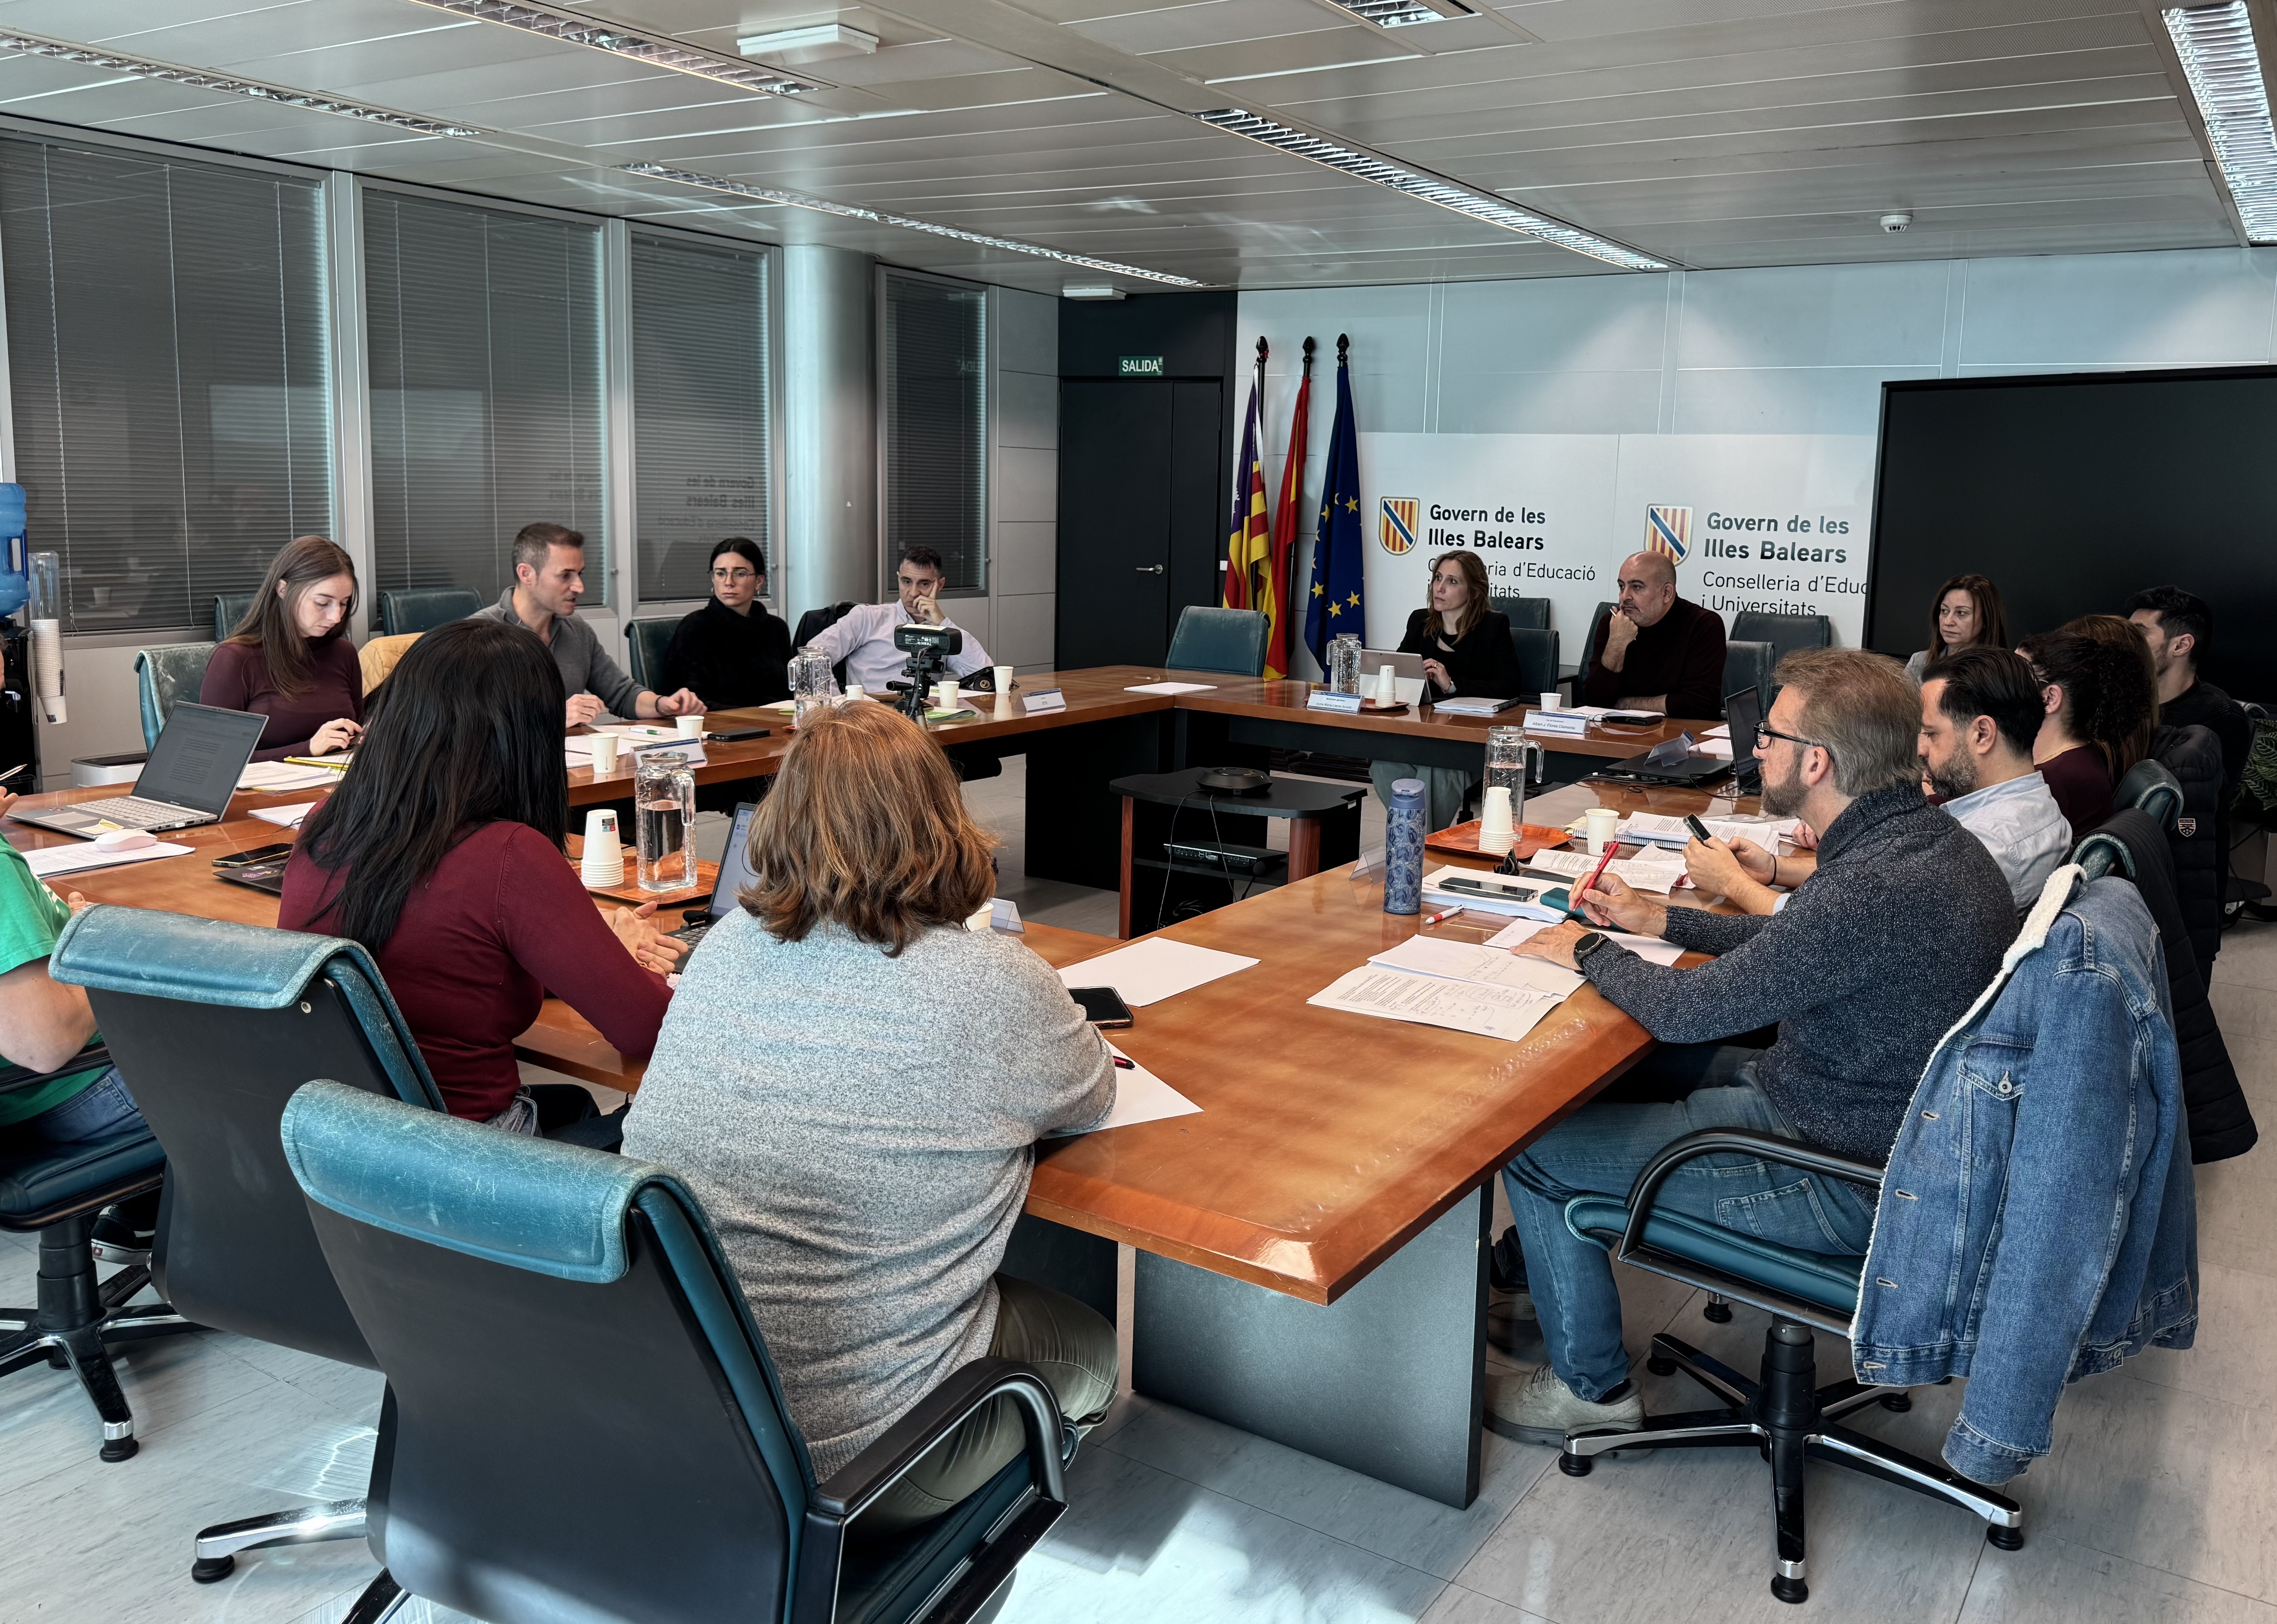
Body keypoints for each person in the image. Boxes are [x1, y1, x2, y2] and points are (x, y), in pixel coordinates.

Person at [1484, 649, 2013, 1447]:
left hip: (1842, 1173)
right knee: (1618, 1081)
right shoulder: (1921, 845)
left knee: (1532, 1143)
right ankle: (1557, 1297)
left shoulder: (1871, 884)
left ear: (1817, 759)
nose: (1755, 747)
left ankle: (1586, 1388)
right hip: (1883, 1128)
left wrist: (1586, 951)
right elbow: (1796, 941)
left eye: (1769, 734)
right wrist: (1662, 922)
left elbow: (1691, 1011)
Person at [622, 702, 1116, 1533]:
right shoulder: (991, 979)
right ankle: (942, 1555)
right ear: (941, 818)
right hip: (857, 1463)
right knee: (1089, 1347)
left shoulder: (726, 947)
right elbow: (1092, 1092)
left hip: (673, 1413)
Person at [280, 619, 686, 1146]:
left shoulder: (325, 820)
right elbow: (647, 1028)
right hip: (465, 1159)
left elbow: (456, 959)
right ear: (528, 736)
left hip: (346, 1143)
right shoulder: (508, 854)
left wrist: (587, 946)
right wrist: (614, 950)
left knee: (576, 1106)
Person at [1686, 646, 2067, 915]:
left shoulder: (1992, 844)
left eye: (1931, 734)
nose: (1918, 749)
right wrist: (1775, 869)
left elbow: (1837, 924)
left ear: (1983, 734)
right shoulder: (2020, 811)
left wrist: (1732, 883)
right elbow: (1870, 884)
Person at [0, 795, 157, 1251]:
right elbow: (42, 1044)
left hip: (23, 1100)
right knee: (275, 1036)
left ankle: (144, 1214)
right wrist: (95, 946)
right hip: (62, 1097)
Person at [475, 522, 706, 730]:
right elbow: (468, 724)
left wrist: (662, 705)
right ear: (526, 574)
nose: (580, 587)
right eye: (566, 575)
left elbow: (622, 694)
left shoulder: (576, 630)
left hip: (572, 766)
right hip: (505, 772)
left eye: (580, 574)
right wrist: (554, 717)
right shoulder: (478, 635)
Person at [1369, 549, 1521, 829]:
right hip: (1423, 733)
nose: (1439, 588)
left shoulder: (1493, 626)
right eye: (1438, 578)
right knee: (1383, 766)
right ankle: (1419, 848)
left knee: (1436, 767)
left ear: (1474, 592)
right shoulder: (1420, 622)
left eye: (1452, 582)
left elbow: (1509, 686)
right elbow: (1401, 670)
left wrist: (1452, 685)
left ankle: (1412, 849)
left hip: (1466, 738)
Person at [200, 535, 365, 761]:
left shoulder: (344, 653)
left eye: (344, 603)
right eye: (323, 603)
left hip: (334, 789)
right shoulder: (235, 659)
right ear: (283, 589)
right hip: (260, 795)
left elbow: (357, 731)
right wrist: (307, 749)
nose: (336, 616)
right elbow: (212, 757)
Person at [2018, 624, 2157, 839]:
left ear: (2049, 699)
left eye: (2013, 680)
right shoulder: (2076, 759)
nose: (2001, 688)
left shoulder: (2054, 780)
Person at [797, 545, 993, 696]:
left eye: (924, 584)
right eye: (907, 582)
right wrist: (838, 705)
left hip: (924, 723)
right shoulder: (867, 617)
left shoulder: (942, 631)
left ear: (940, 585)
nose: (914, 593)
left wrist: (943, 623)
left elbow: (986, 674)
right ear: (899, 579)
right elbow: (810, 659)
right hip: (872, 722)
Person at [2128, 585, 2252, 795]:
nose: (2125, 643)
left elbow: (2206, 805)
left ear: (2181, 646)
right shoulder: (2123, 699)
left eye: (2138, 634)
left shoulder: (2221, 716)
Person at [1582, 551, 1726, 718]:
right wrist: (1617, 644)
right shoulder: (1613, 622)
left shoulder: (1703, 625)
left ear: (1667, 594)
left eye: (1636, 587)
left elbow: (1697, 705)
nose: (1625, 597)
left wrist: (1622, 704)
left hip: (1683, 736)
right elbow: (1595, 701)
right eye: (1622, 586)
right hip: (1618, 734)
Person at [658, 538, 791, 709]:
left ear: (759, 581)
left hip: (777, 724)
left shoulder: (776, 628)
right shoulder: (696, 627)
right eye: (721, 573)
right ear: (713, 579)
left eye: (740, 574)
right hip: (720, 726)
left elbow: (790, 693)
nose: (729, 582)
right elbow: (690, 700)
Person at [1903, 572, 2006, 683]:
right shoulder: (1919, 662)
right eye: (1944, 611)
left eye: (1961, 613)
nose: (1948, 621)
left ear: (1986, 619)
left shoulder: (2004, 672)